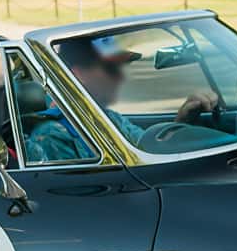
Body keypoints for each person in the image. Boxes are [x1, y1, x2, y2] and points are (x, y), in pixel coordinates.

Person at [30, 35, 219, 159]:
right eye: (111, 69)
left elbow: (147, 148)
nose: (120, 77)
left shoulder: (109, 118)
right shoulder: (52, 134)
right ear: (80, 74)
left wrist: (183, 119)